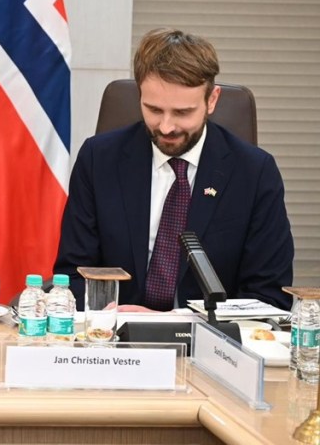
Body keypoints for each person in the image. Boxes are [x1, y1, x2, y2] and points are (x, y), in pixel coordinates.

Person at [54, 28, 293, 311]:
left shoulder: (254, 173)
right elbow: (73, 275)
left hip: (209, 337)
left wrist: (174, 322)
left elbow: (268, 296)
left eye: (182, 112)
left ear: (212, 100)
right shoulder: (99, 159)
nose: (166, 127)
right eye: (154, 110)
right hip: (116, 332)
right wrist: (113, 317)